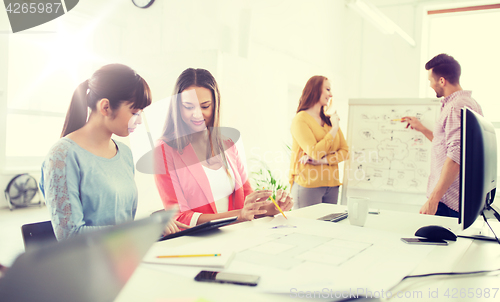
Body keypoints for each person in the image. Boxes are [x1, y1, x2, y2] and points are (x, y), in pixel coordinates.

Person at [40, 64, 184, 240]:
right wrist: (142, 228)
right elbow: (70, 236)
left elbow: (123, 224)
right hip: (87, 264)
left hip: (125, 257)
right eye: (134, 112)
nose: (139, 121)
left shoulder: (124, 153)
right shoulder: (62, 155)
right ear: (106, 107)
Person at [154, 68, 293, 226]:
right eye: (188, 107)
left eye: (205, 106)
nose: (197, 114)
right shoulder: (164, 150)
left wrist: (271, 208)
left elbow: (247, 196)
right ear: (177, 107)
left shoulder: (227, 145)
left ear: (215, 105)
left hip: (237, 237)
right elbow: (178, 216)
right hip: (200, 244)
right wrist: (237, 216)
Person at [403, 54, 483, 217]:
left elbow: (456, 156)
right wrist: (423, 129)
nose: (430, 85)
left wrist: (433, 200)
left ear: (441, 80)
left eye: (430, 80)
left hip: (447, 201)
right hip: (457, 199)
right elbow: (451, 146)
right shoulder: (471, 103)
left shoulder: (454, 107)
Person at [289, 76, 349, 208]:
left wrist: (323, 161)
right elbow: (315, 152)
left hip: (332, 186)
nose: (331, 94)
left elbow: (345, 152)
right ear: (315, 90)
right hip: (309, 185)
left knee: (327, 228)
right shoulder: (300, 120)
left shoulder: (329, 120)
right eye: (327, 89)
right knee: (307, 227)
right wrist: (334, 129)